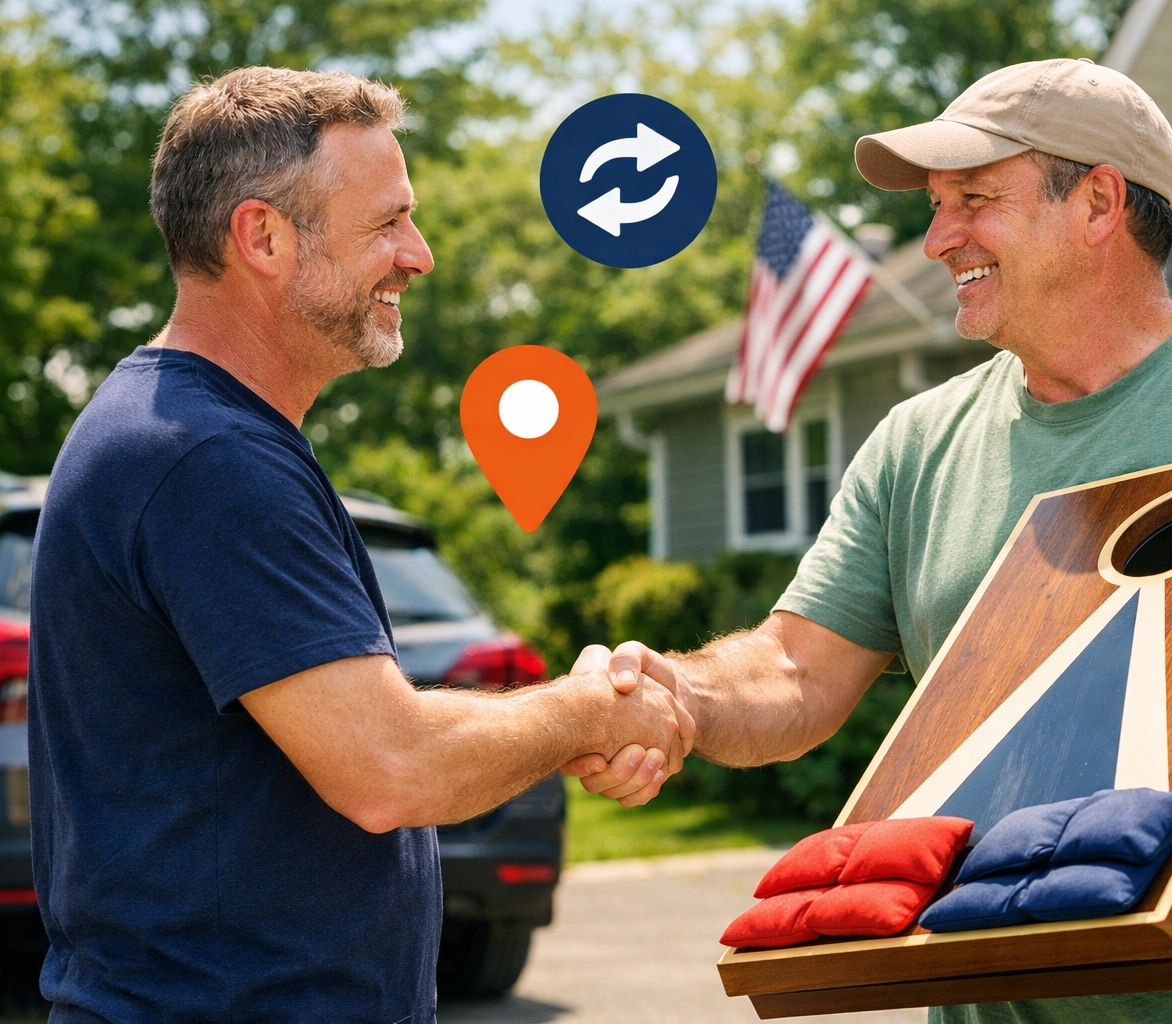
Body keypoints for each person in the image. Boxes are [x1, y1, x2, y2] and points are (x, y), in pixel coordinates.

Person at [565, 58, 1172, 1022]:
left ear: (1100, 204)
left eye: (974, 199)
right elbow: (794, 670)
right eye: (937, 205)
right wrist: (675, 693)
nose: (939, 237)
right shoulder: (917, 446)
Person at [28, 66, 690, 1023]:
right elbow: (391, 767)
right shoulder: (205, 458)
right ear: (262, 236)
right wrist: (593, 714)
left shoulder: (191, 434)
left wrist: (575, 719)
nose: (417, 256)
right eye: (386, 223)